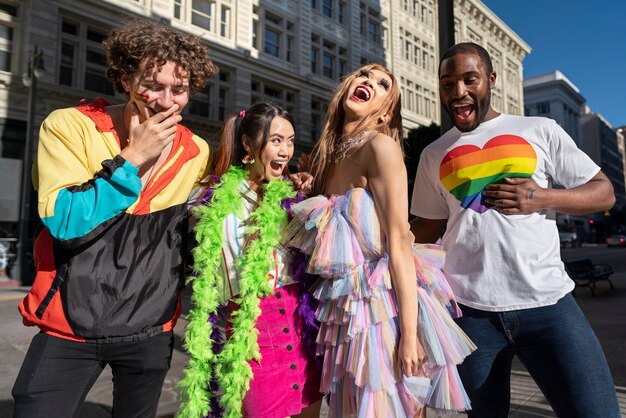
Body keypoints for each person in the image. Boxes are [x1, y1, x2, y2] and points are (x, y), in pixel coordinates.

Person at [12, 20, 218, 418]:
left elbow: (194, 234)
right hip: (68, 328)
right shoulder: (69, 125)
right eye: (153, 85)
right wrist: (131, 158)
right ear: (125, 79)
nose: (166, 101)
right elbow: (65, 223)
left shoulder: (197, 150)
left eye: (179, 89)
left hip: (150, 330)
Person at [410, 42, 621, 417]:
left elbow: (603, 192)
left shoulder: (539, 128)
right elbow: (423, 228)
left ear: (490, 80)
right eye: (447, 84)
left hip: (549, 304)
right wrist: (356, 221)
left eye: (469, 79)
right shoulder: (432, 154)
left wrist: (539, 198)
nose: (458, 91)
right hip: (470, 315)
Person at [287, 64, 476, 418]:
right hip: (343, 316)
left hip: (383, 310)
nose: (368, 82)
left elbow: (400, 243)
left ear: (386, 111)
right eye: (364, 75)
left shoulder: (381, 147)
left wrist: (408, 333)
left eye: (382, 84)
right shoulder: (330, 157)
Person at [177, 102, 322, 418]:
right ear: (247, 143)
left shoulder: (291, 197)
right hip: (250, 332)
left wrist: (312, 198)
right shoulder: (210, 194)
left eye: (290, 141)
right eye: (276, 140)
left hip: (300, 325)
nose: (285, 151)